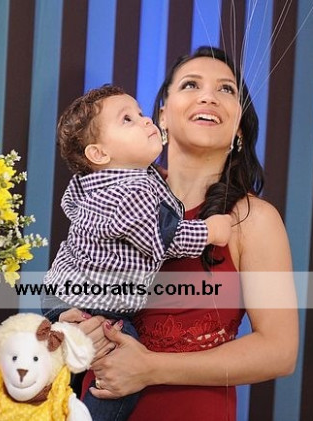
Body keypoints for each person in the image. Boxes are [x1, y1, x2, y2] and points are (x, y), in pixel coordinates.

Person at [59, 46, 299, 421]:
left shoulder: (252, 219)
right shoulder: (113, 197)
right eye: (191, 84)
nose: (208, 96)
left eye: (226, 89)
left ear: (239, 126)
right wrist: (74, 328)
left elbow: (279, 352)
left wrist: (151, 368)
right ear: (162, 116)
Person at [41, 84, 233, 421]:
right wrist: (209, 231)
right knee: (119, 371)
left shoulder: (98, 183)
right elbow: (160, 239)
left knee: (62, 378)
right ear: (99, 154)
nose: (145, 121)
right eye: (127, 119)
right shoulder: (134, 190)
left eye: (141, 113)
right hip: (93, 302)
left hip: (63, 293)